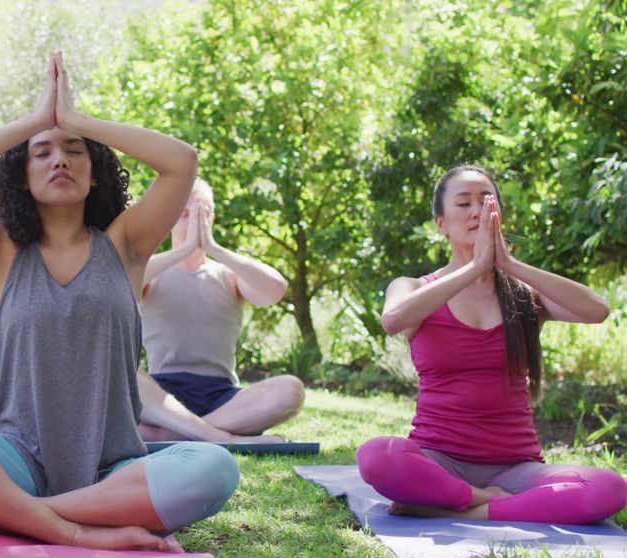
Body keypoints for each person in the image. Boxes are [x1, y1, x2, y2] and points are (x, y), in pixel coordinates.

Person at [0, 52, 239, 551]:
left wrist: (75, 119)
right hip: (16, 461)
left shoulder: (126, 244)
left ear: (95, 175)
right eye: (41, 153)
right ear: (22, 176)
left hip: (113, 472)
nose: (60, 159)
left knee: (215, 468)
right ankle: (70, 529)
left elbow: (182, 162)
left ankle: (9, 515)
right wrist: (35, 121)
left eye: (74, 151)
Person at [356, 165, 627, 524]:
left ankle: (462, 509)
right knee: (377, 456)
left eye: (486, 202)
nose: (475, 211)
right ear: (441, 223)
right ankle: (483, 499)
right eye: (463, 203)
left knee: (610, 488)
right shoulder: (415, 288)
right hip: (438, 460)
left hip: (516, 468)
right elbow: (393, 320)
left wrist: (508, 264)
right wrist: (474, 267)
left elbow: (597, 311)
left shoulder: (524, 296)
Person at [137, 178, 305, 443]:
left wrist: (214, 248)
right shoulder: (152, 274)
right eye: (182, 215)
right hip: (162, 397)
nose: (190, 222)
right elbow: (118, 279)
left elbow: (275, 289)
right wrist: (183, 251)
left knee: (290, 390)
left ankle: (178, 434)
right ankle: (222, 436)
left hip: (222, 397)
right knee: (126, 375)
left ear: (211, 220)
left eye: (199, 215)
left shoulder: (230, 277)